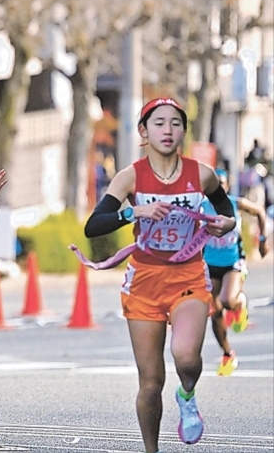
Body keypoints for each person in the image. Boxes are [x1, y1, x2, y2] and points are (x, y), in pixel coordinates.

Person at [82, 98, 236, 453]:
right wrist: (135, 210)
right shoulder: (131, 176)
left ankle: (187, 394)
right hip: (145, 281)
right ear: (143, 131)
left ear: (183, 130)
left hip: (189, 276)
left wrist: (224, 223)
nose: (168, 130)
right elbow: (94, 226)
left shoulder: (202, 174)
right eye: (159, 123)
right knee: (150, 382)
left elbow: (226, 210)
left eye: (175, 124)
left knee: (186, 358)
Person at [203, 168, 269, 376]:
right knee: (214, 311)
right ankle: (227, 354)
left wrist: (262, 240)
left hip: (233, 262)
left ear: (227, 186)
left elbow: (259, 211)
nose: (218, 189)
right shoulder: (202, 206)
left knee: (228, 301)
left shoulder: (235, 203)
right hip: (209, 263)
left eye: (222, 184)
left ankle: (240, 304)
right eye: (214, 185)